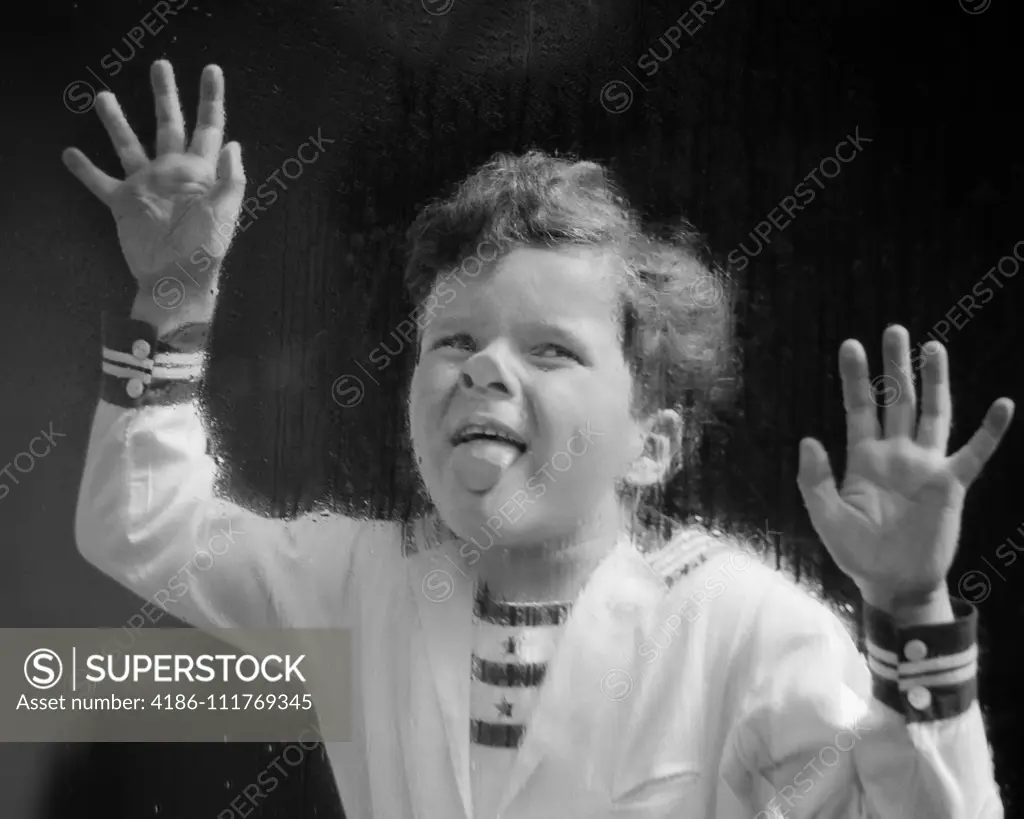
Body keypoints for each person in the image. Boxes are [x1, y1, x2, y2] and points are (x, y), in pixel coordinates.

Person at [66, 60, 1012, 819]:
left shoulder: (743, 627)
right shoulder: (359, 583)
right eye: (455, 342)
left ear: (653, 443)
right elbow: (143, 528)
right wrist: (176, 295)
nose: (484, 370)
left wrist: (913, 605)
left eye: (551, 349)